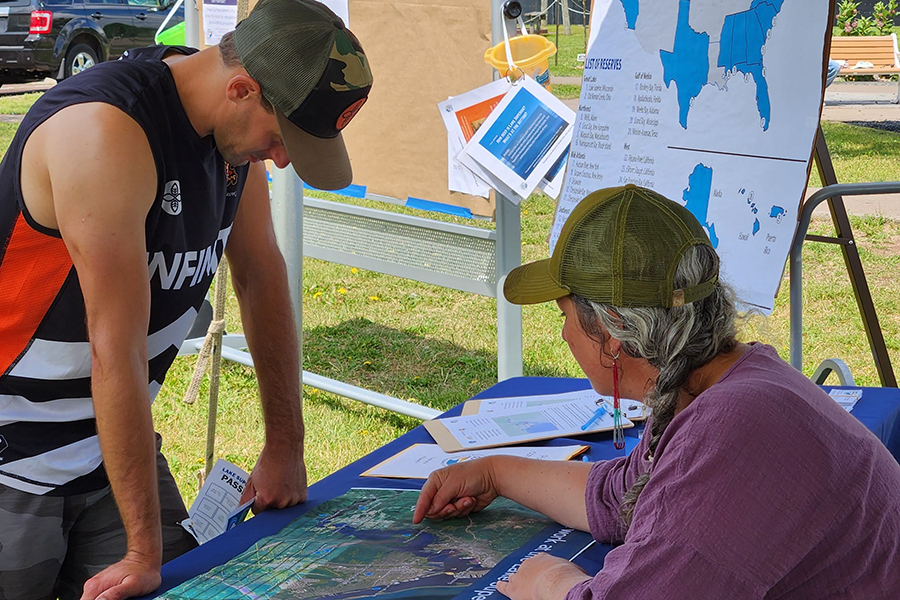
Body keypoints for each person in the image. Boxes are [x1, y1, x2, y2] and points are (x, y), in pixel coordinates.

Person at [0, 0, 373, 598]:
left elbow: (261, 278)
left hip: (112, 446)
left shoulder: (231, 140)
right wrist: (142, 550)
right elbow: (112, 346)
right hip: (13, 459)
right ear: (242, 88)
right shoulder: (104, 129)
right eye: (280, 139)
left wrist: (285, 445)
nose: (279, 159)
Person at [413, 185, 900, 599]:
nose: (563, 335)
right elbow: (621, 497)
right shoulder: (725, 383)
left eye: (564, 315)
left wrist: (552, 582)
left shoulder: (732, 429)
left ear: (614, 333)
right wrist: (496, 473)